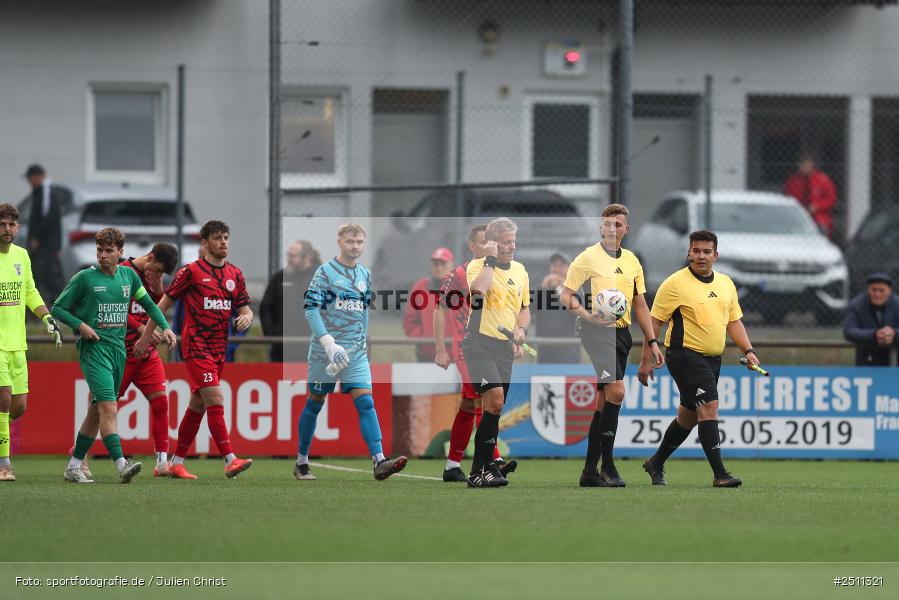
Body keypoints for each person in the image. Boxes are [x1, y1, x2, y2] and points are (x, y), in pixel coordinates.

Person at [52, 228, 176, 484]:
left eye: (109, 251)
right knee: (109, 407)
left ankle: (74, 465)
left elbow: (151, 306)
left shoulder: (128, 277)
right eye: (100, 250)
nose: (103, 256)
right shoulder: (85, 277)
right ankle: (122, 464)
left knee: (97, 412)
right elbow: (58, 308)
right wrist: (81, 325)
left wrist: (165, 326)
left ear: (121, 252)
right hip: (95, 350)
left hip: (119, 352)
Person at [637, 230, 759, 488]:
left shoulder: (726, 283)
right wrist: (646, 358)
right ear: (689, 253)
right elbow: (654, 322)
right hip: (684, 356)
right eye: (696, 251)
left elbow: (734, 322)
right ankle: (720, 474)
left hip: (713, 359)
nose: (701, 256)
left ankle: (655, 463)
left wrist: (748, 350)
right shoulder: (675, 284)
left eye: (706, 251)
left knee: (688, 416)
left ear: (716, 255)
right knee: (709, 407)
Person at [134, 221, 254, 479]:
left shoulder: (236, 274)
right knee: (216, 399)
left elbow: (245, 308)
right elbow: (161, 305)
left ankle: (176, 462)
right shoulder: (191, 272)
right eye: (218, 238)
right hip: (196, 346)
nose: (223, 242)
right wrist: (146, 336)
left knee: (198, 404)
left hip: (219, 348)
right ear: (205, 243)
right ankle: (230, 459)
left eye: (226, 237)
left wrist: (246, 317)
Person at [560, 204, 664, 487]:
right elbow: (567, 295)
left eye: (618, 225)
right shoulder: (587, 258)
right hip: (596, 332)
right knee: (617, 392)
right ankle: (609, 467)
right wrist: (585, 314)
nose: (612, 229)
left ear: (626, 229)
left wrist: (652, 341)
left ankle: (589, 472)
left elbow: (641, 304)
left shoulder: (631, 261)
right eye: (607, 224)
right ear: (600, 227)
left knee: (605, 400)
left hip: (621, 334)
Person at [294, 223, 407, 481]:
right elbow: (311, 309)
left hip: (355, 352)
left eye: (359, 242)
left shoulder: (365, 274)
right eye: (350, 241)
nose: (355, 246)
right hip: (325, 353)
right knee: (314, 403)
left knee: (366, 401)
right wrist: (328, 343)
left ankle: (379, 461)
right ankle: (302, 461)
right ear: (339, 242)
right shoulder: (325, 273)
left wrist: (361, 341)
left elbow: (363, 310)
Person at [434, 225, 514, 482]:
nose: (490, 247)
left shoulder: (497, 272)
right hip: (468, 348)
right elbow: (440, 309)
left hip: (492, 345)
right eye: (484, 243)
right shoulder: (460, 273)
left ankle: (452, 465)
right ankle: (493, 460)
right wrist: (440, 348)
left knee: (470, 404)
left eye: (492, 242)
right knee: (485, 400)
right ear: (472, 246)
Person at [463, 217, 531, 488]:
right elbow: (478, 291)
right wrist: (490, 260)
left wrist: (521, 331)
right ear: (492, 244)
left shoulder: (521, 271)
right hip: (479, 344)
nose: (511, 246)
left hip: (503, 348)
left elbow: (524, 309)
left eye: (513, 241)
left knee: (496, 406)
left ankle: (487, 468)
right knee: (494, 398)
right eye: (505, 242)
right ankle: (477, 472)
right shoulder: (478, 267)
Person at [0, 203, 63, 481]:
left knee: (19, 406)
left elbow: (29, 291)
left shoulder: (22, 256)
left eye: (12, 225)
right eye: (2, 224)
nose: (7, 230)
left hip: (17, 343)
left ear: (19, 227)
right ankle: (4, 464)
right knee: (3, 400)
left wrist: (47, 317)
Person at [260, 240, 321, 362]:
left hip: (313, 349)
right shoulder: (279, 278)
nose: (289, 258)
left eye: (293, 256)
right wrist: (272, 336)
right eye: (288, 254)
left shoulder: (321, 278)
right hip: (282, 349)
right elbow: (265, 308)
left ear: (307, 257)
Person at [23, 164, 67, 303]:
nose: (29, 182)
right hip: (43, 245)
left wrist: (36, 237)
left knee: (49, 276)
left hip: (47, 244)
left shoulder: (47, 192)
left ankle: (60, 305)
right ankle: (38, 306)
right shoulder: (38, 192)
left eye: (30, 178)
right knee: (36, 275)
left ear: (37, 177)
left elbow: (50, 217)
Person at [404, 248, 454, 362]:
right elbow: (410, 321)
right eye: (436, 264)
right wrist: (424, 339)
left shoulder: (461, 287)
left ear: (451, 265)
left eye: (443, 263)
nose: (439, 268)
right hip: (426, 355)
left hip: (455, 356)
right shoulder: (420, 287)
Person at [843, 272, 899, 366]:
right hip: (866, 361)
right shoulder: (857, 304)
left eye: (881, 290)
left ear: (889, 291)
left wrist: (894, 334)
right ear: (868, 289)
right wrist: (874, 335)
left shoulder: (897, 304)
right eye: (873, 290)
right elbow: (849, 331)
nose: (877, 294)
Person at [537, 252, 580, 364]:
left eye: (561, 266)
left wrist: (562, 288)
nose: (556, 270)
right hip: (545, 350)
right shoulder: (542, 291)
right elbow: (529, 309)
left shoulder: (575, 289)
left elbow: (581, 310)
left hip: (569, 350)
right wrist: (543, 288)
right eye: (554, 266)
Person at [783, 153, 837, 239]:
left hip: (819, 219)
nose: (804, 167)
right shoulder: (793, 181)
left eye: (807, 164)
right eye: (802, 164)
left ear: (813, 165)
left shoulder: (823, 180)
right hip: (798, 219)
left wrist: (817, 206)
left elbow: (831, 200)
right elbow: (786, 199)